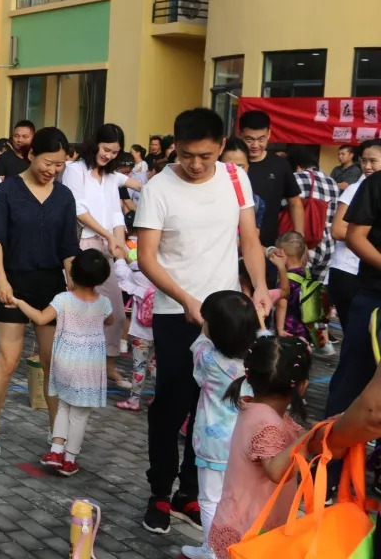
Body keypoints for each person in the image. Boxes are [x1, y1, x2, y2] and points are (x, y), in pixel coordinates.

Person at [135, 108, 270, 535]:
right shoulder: (158, 188)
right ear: (175, 145)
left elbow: (249, 239)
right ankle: (159, 490)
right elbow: (146, 258)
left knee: (212, 407)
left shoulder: (235, 177)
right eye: (189, 155)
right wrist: (186, 299)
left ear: (220, 149)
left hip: (225, 316)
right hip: (177, 313)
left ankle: (190, 491)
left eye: (206, 156)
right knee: (172, 403)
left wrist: (261, 287)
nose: (196, 165)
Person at [0, 127, 79, 452]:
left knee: (53, 364)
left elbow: (68, 247)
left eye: (60, 165)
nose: (52, 170)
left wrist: (76, 287)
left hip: (51, 286)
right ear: (31, 154)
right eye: (48, 162)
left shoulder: (64, 197)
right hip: (14, 282)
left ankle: (57, 436)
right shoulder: (7, 191)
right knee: (8, 360)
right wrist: (0, 279)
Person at [206, 336, 310, 559]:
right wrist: (306, 440)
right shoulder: (267, 422)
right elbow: (274, 470)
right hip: (250, 533)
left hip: (242, 524)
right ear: (302, 386)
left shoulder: (258, 410)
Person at [12, 249, 112, 477]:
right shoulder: (104, 303)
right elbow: (111, 319)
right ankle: (69, 459)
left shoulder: (63, 299)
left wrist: (19, 302)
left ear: (72, 274)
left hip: (65, 360)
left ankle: (55, 451)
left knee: (63, 406)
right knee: (79, 414)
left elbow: (39, 318)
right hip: (90, 366)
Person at [61, 123, 144, 389]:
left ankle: (108, 367)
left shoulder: (112, 176)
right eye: (106, 149)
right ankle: (75, 369)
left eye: (114, 152)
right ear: (95, 143)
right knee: (82, 309)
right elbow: (78, 208)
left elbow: (118, 211)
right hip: (84, 244)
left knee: (116, 314)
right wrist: (109, 236)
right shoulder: (75, 170)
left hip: (108, 247)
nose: (108, 155)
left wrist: (117, 240)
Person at [179, 291, 257, 559]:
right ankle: (230, 547)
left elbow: (201, 343)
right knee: (235, 501)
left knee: (210, 500)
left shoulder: (206, 357)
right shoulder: (257, 361)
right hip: (244, 444)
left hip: (212, 445)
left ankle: (213, 550)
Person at [327, 140, 381, 329]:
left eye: (373, 161)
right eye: (364, 161)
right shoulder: (358, 188)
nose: (367, 166)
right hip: (350, 271)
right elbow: (339, 230)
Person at [239, 110, 303, 249]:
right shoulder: (229, 164)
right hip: (232, 244)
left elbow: (295, 202)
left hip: (267, 246)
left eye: (261, 139)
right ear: (240, 135)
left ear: (269, 134)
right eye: (249, 139)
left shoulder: (279, 165)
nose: (255, 145)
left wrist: (299, 239)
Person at [286, 146, 339, 281]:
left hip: (303, 247)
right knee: (314, 294)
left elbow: (282, 207)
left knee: (295, 292)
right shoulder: (332, 182)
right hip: (328, 247)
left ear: (297, 166)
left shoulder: (295, 178)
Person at [113, 255, 156, 412]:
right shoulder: (164, 272)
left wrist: (120, 256)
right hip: (159, 328)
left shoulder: (139, 272)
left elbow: (122, 273)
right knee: (154, 364)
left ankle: (134, 399)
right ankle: (157, 397)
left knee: (139, 364)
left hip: (140, 330)